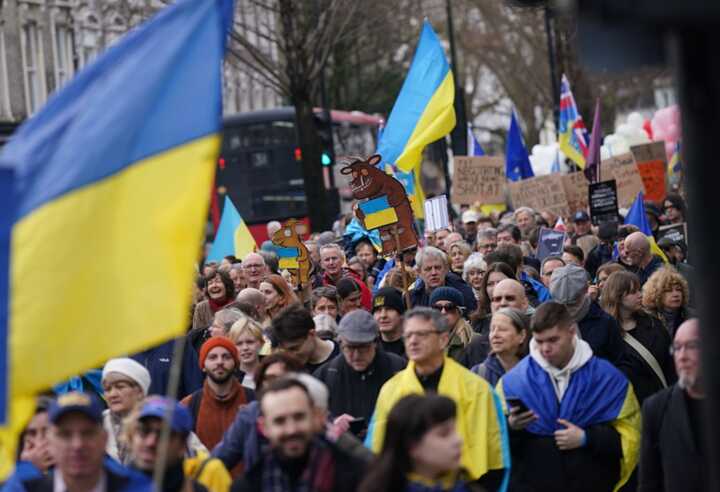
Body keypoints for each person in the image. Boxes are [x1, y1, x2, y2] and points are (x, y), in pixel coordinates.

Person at [499, 302, 641, 492]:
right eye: (539, 341)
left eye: (553, 340)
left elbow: (631, 439)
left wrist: (587, 437)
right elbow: (494, 442)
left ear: (571, 331)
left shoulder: (608, 378)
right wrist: (512, 426)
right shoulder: (513, 382)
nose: (545, 349)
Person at [367, 307, 510, 487]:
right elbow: (378, 448)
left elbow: (494, 457)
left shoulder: (477, 389)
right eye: (408, 335)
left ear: (443, 339)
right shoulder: (390, 389)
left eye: (421, 334)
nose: (413, 341)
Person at [230, 377, 367, 492]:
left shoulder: (357, 476)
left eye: (299, 417)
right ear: (264, 427)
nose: (291, 430)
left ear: (315, 416)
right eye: (280, 421)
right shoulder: (247, 486)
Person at [11, 392, 151, 492]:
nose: (77, 445)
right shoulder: (23, 485)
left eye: (87, 433)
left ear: (104, 439)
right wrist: (27, 469)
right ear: (51, 441)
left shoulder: (136, 487)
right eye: (65, 435)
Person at [314, 310, 406, 434]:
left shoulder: (398, 368)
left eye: (363, 348)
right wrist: (331, 424)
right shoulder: (325, 376)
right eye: (350, 348)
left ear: (375, 343)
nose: (356, 355)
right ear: (341, 345)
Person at [639, 318, 704, 492]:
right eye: (677, 348)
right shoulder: (655, 408)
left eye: (692, 346)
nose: (682, 356)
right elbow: (649, 482)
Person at [212, 353, 304, 473]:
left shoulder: (314, 412)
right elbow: (219, 460)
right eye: (270, 378)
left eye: (284, 378)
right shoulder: (250, 415)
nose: (277, 384)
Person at [358, 394, 471, 492]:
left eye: (455, 430)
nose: (458, 440)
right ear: (412, 445)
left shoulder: (465, 486)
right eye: (444, 434)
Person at [600, 271, 676, 403]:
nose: (640, 295)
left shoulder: (653, 324)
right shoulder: (606, 334)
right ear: (617, 296)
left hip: (662, 401)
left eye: (639, 290)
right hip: (632, 407)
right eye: (633, 292)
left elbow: (671, 364)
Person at [181, 337, 254, 456]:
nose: (220, 362)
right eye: (212, 357)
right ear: (203, 365)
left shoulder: (254, 400)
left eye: (226, 357)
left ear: (235, 363)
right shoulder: (188, 405)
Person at [549, 264, 626, 366]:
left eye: (572, 303)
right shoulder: (545, 322)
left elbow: (619, 363)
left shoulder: (605, 322)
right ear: (586, 288)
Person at [101, 358, 151, 465]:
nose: (113, 394)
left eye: (120, 387)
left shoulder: (160, 422)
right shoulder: (96, 424)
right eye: (107, 389)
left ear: (140, 391)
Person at [270, 304, 339, 372]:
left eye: (294, 348)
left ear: (312, 334)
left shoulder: (344, 355)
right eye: (285, 351)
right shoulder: (292, 371)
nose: (291, 356)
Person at [471, 307, 528, 387]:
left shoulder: (535, 373)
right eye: (492, 329)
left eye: (502, 329)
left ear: (522, 335)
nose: (495, 335)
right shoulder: (478, 374)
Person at [408, 246, 477, 312]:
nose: (434, 273)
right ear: (419, 272)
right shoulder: (412, 297)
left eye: (438, 268)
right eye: (428, 269)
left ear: (446, 269)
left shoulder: (462, 291)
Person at [313, 243, 372, 309]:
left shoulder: (357, 284)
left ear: (342, 260)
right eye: (327, 260)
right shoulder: (319, 285)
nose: (331, 262)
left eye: (334, 258)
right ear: (321, 264)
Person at [642, 266, 693, 338]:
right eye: (668, 290)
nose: (676, 294)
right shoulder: (645, 319)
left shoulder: (692, 317)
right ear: (656, 294)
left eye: (678, 289)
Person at [429, 286, 477, 363]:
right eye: (437, 308)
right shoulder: (424, 341)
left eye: (449, 307)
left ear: (459, 312)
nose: (443, 312)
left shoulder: (474, 341)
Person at [227, 315, 265, 390]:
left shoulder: (273, 370)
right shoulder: (228, 379)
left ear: (261, 343)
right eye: (239, 344)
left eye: (250, 342)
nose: (245, 348)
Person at [372, 287, 407, 358]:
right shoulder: (370, 349)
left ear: (402, 314)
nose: (383, 315)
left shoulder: (412, 347)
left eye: (389, 309)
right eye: (378, 310)